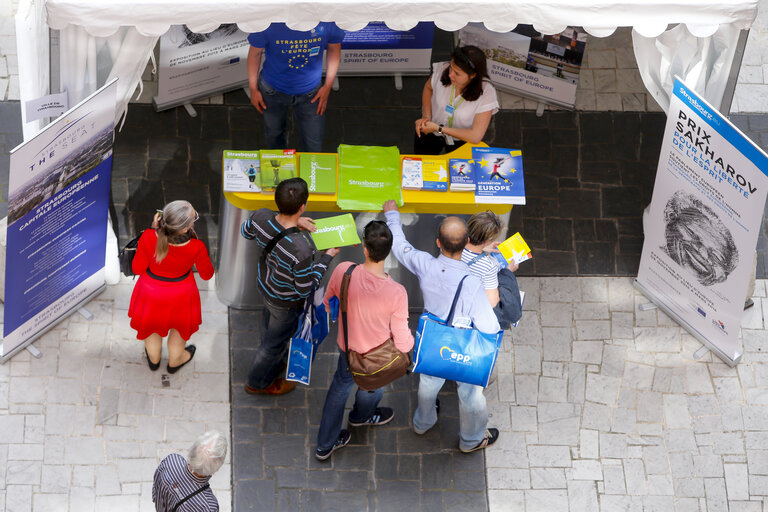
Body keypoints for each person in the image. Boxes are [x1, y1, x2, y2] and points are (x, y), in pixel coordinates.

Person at [383, 200, 501, 453]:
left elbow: (400, 246)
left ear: (438, 243)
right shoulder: (472, 283)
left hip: (433, 338)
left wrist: (392, 214)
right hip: (464, 344)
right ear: (467, 240)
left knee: (428, 380)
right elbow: (490, 326)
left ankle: (423, 422)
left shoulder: (425, 264)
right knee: (470, 395)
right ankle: (470, 440)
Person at [315, 220, 414, 461]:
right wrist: (410, 349)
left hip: (347, 349)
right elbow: (402, 342)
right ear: (388, 251)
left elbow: (328, 302)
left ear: (364, 248)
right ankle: (361, 416)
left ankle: (325, 445)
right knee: (372, 387)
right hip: (377, 357)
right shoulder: (397, 292)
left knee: (339, 389)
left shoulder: (344, 271)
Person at [241, 178, 339, 395]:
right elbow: (306, 288)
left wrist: (297, 222)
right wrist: (326, 258)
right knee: (273, 345)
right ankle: (256, 382)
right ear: (302, 207)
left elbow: (246, 232)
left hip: (264, 285)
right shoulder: (301, 249)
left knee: (271, 328)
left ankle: (270, 343)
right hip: (284, 301)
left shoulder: (260, 216)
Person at [129, 200, 214, 374]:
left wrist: (152, 230)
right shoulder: (197, 246)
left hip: (150, 294)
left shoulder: (148, 236)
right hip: (181, 295)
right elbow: (207, 274)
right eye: (193, 218)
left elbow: (137, 268)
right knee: (178, 331)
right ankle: (175, 361)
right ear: (185, 228)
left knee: (151, 329)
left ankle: (154, 360)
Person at [247, 23, 344, 152]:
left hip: (312, 93)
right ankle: (279, 166)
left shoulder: (326, 21)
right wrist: (253, 88)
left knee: (313, 143)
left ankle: (308, 170)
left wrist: (327, 86)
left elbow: (334, 48)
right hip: (273, 90)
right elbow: (255, 53)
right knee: (274, 134)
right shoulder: (269, 22)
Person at [414, 45, 499, 155]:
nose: (450, 74)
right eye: (451, 68)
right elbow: (428, 88)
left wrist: (439, 129)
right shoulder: (442, 70)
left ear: (472, 75)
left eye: (457, 73)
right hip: (429, 132)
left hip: (461, 140)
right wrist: (426, 116)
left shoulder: (487, 93)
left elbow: (475, 136)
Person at [463, 211, 523, 329]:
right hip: (473, 314)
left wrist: (483, 248)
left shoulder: (454, 244)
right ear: (487, 240)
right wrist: (508, 272)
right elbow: (492, 302)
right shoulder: (488, 266)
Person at [152, 430, 227, 512]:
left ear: (193, 450)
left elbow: (156, 489)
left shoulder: (171, 461)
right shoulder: (209, 506)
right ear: (217, 467)